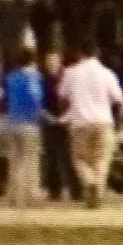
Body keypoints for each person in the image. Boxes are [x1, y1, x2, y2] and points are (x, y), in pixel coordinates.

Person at [60, 35, 123, 209]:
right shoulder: (107, 73)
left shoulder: (71, 73)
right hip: (103, 121)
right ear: (97, 53)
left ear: (80, 53)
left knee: (79, 158)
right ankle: (98, 191)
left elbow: (63, 96)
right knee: (102, 159)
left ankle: (89, 182)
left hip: (80, 122)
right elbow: (118, 98)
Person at [0, 47, 45, 208]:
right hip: (29, 123)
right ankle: (31, 195)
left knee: (14, 160)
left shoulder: (10, 77)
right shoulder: (34, 77)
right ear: (32, 61)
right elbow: (36, 98)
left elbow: (4, 100)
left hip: (11, 122)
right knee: (30, 160)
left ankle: (13, 195)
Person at [40, 49, 82, 202]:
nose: (51, 64)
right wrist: (48, 117)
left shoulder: (67, 77)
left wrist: (67, 117)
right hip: (49, 121)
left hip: (67, 121)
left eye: (54, 61)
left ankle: (76, 191)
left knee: (69, 156)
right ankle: (54, 191)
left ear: (60, 62)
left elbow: (72, 98)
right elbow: (40, 102)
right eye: (48, 62)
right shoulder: (43, 80)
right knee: (52, 157)